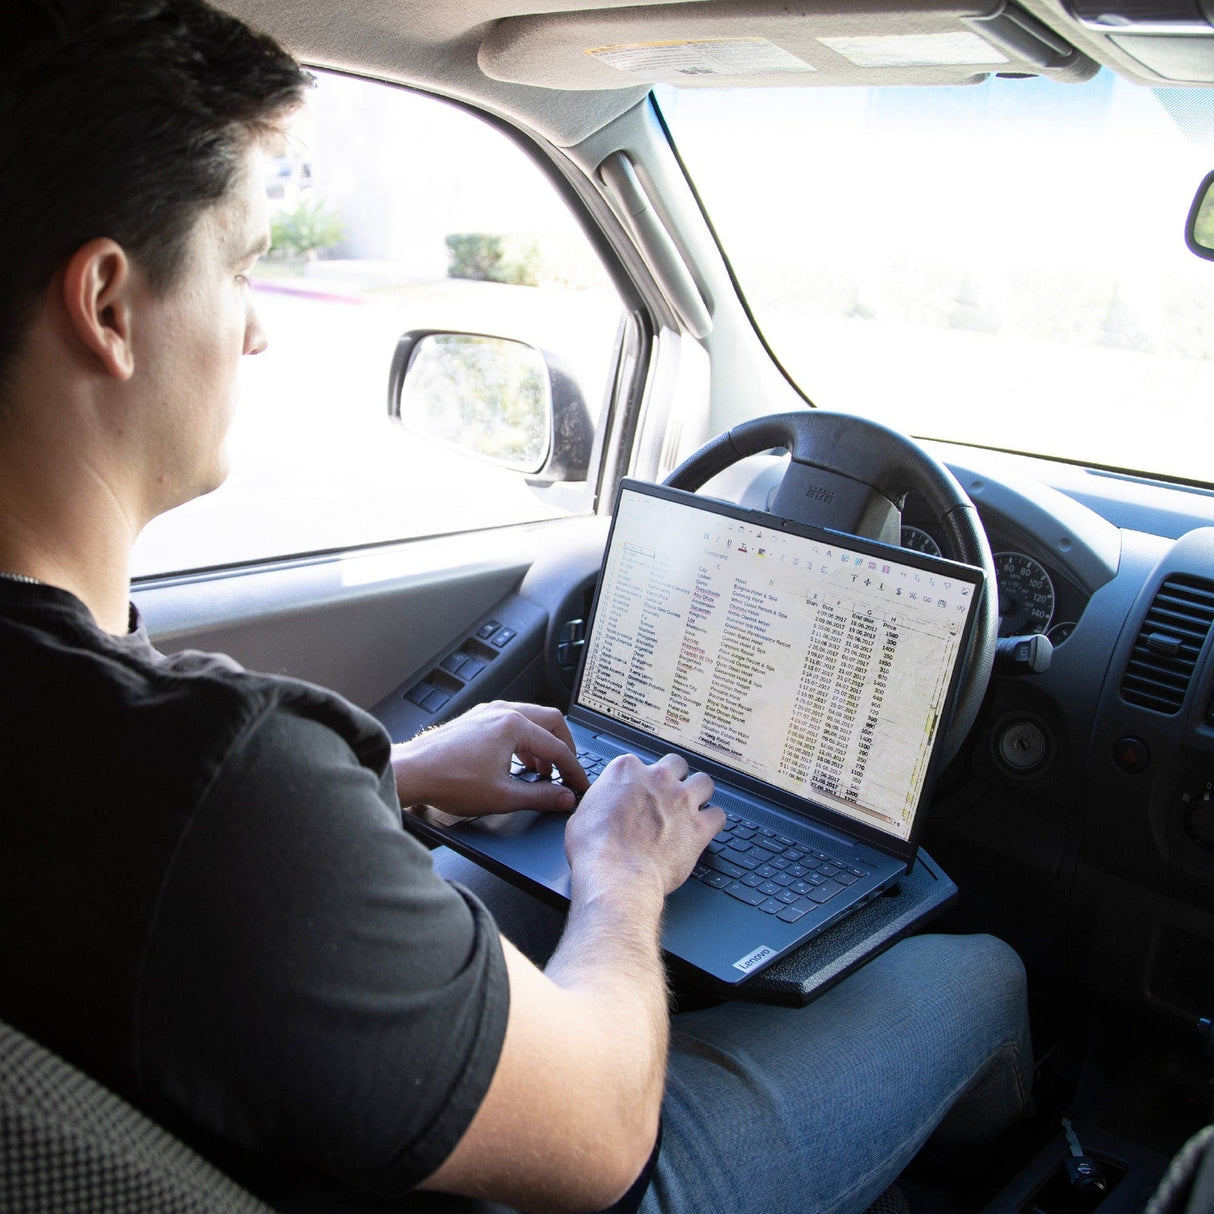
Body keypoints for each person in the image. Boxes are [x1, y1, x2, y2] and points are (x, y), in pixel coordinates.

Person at [0, 2, 1032, 1212]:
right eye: (241, 265)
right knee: (977, 973)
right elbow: (600, 1132)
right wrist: (623, 873)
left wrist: (401, 767)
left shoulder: (85, 722)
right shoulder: (221, 783)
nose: (260, 323)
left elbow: (132, 864)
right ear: (110, 305)